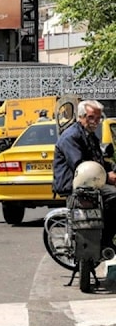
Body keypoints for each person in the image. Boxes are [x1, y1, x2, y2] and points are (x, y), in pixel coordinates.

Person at [53, 100, 116, 236]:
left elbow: (97, 159)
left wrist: (110, 170)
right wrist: (106, 176)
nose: (95, 121)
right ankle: (106, 241)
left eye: (98, 118)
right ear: (81, 117)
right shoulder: (72, 137)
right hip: (74, 183)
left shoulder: (89, 135)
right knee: (113, 197)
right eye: (91, 117)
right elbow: (80, 165)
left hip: (89, 181)